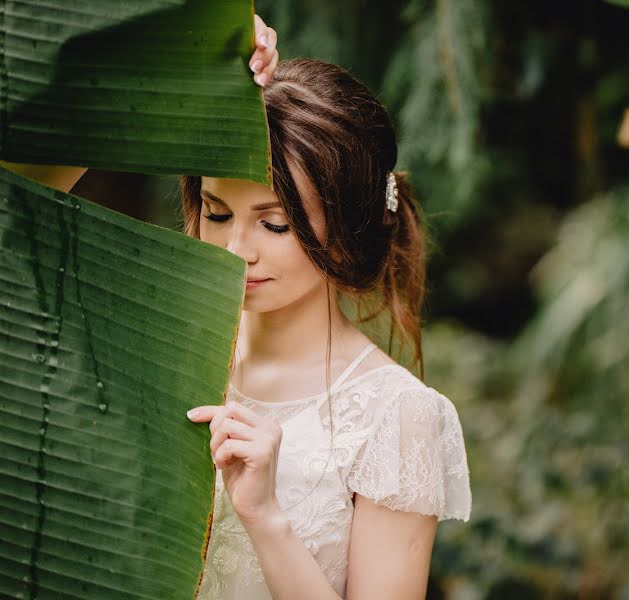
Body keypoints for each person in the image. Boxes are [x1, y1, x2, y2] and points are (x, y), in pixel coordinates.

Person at [4, 14, 471, 600]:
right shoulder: (141, 349)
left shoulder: (396, 416)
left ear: (348, 222)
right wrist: (157, 56)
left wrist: (266, 516)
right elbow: (12, 209)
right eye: (216, 213)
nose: (234, 250)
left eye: (274, 223)